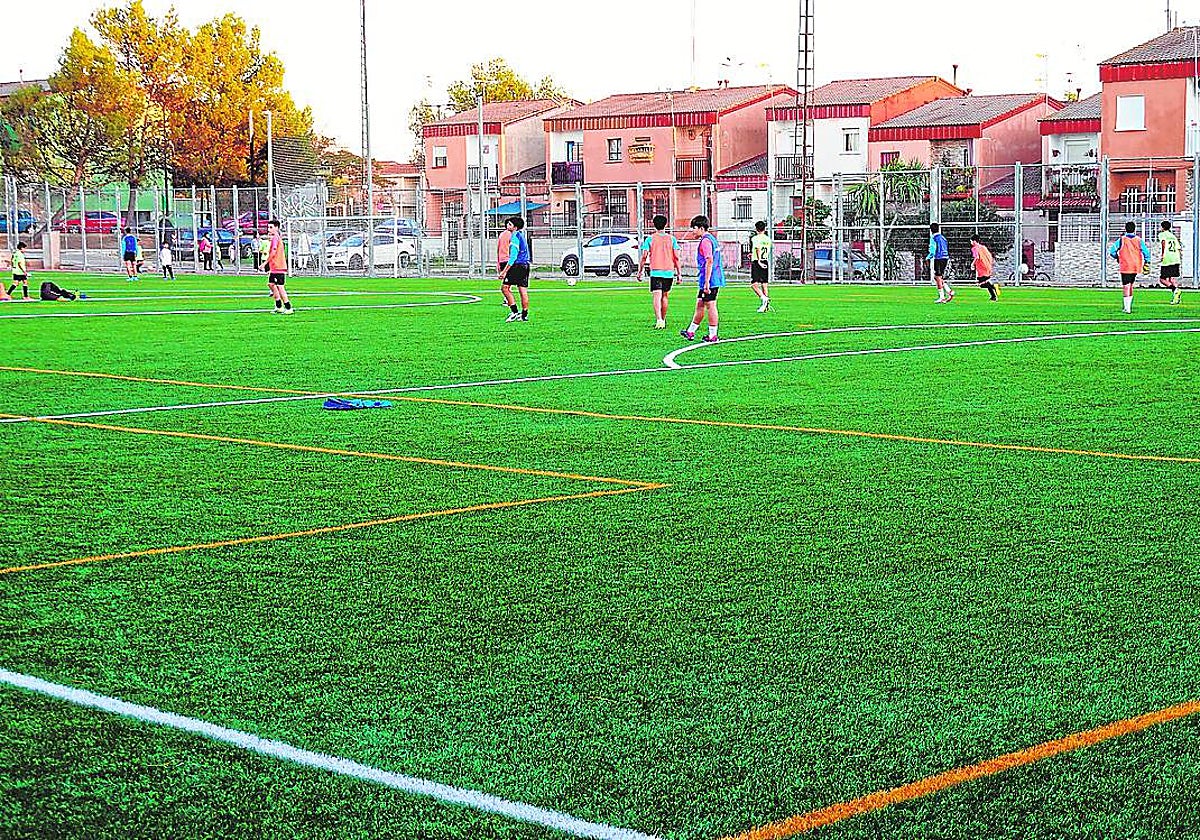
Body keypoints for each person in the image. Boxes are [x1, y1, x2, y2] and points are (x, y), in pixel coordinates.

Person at [680, 215, 725, 343]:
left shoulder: (705, 241)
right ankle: (691, 331)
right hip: (710, 278)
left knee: (711, 305)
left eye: (694, 228)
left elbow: (709, 260)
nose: (692, 231)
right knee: (700, 304)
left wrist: (706, 282)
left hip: (710, 279)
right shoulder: (711, 239)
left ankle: (713, 335)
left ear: (701, 228)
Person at [637, 214, 681, 329]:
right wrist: (679, 273)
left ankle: (659, 320)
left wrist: (640, 271)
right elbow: (676, 257)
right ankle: (663, 318)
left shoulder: (650, 239)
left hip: (656, 271)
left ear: (654, 225)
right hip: (669, 271)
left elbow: (644, 256)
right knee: (665, 296)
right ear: (665, 224)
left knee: (657, 296)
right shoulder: (672, 239)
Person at [1109, 221, 1151, 314]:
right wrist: (1147, 261)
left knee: (1126, 286)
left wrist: (1117, 257)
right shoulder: (1139, 240)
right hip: (1136, 265)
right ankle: (1128, 306)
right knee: (1131, 285)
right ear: (1134, 229)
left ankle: (1127, 308)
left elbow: (1112, 251)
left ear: (1125, 229)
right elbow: (1146, 252)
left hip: (1126, 265)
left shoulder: (1122, 239)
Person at [498, 215, 531, 322]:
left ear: (515, 227)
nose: (507, 225)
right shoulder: (521, 236)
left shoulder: (515, 237)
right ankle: (524, 315)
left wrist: (504, 271)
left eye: (510, 224)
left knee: (505, 288)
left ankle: (514, 312)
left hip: (517, 266)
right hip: (525, 265)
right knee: (523, 290)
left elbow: (512, 257)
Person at [266, 218, 292, 314]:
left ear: (276, 228)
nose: (269, 229)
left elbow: (273, 253)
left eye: (271, 227)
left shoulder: (276, 238)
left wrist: (264, 264)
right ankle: (278, 306)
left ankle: (288, 307)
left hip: (278, 267)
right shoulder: (273, 238)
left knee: (280, 287)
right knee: (271, 284)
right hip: (274, 267)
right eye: (268, 227)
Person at [1158, 220, 1184, 305]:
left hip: (1168, 258)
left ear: (1162, 227)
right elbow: (1178, 248)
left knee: (1162, 279)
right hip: (1175, 258)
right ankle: (1176, 297)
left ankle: (1175, 290)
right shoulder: (1173, 236)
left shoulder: (1162, 234)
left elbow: (1163, 243)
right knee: (1171, 279)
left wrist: (1162, 254)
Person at [749, 220, 772, 313]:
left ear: (756, 229)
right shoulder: (768, 239)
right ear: (765, 229)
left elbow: (758, 248)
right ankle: (766, 306)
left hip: (757, 262)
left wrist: (758, 260)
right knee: (764, 284)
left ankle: (764, 299)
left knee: (754, 284)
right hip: (765, 260)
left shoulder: (755, 238)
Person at [928, 223, 954, 303]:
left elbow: (933, 248)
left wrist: (929, 257)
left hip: (938, 258)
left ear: (931, 230)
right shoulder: (943, 237)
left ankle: (942, 297)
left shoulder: (933, 238)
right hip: (945, 258)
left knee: (938, 277)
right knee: (937, 277)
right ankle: (949, 291)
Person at [969, 235, 1000, 301]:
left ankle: (994, 287)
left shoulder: (974, 248)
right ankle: (993, 296)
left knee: (982, 284)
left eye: (971, 241)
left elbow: (977, 257)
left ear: (974, 241)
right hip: (987, 266)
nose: (971, 242)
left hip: (982, 268)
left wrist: (972, 264)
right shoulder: (983, 247)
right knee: (986, 282)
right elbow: (989, 255)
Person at [496, 222, 513, 305]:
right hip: (508, 260)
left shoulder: (501, 235)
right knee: (507, 283)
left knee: (506, 281)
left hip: (502, 259)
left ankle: (507, 299)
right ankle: (507, 300)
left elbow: (498, 249)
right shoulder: (512, 235)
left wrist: (498, 262)